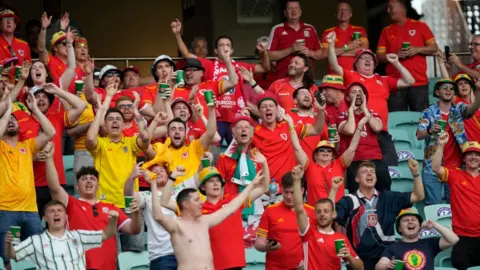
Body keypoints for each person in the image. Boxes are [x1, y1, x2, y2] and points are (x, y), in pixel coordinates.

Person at [149, 161, 265, 270]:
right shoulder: (178, 224)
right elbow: (162, 206)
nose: (201, 202)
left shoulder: (205, 220)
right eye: (197, 200)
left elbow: (232, 207)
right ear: (186, 205)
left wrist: (252, 184)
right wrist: (168, 179)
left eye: (217, 180)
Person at [326, 31, 415, 167]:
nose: (368, 60)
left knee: (389, 167)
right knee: (359, 168)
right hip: (359, 130)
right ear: (356, 64)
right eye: (363, 58)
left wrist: (396, 63)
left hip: (380, 129)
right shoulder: (352, 76)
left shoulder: (382, 79)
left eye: (371, 59)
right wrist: (331, 45)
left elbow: (409, 81)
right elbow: (334, 65)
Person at [45, 146, 142, 270]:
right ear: (77, 186)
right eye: (83, 179)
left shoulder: (111, 207)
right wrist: (49, 159)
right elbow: (54, 187)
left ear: (98, 185)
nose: (88, 181)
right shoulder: (71, 204)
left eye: (92, 179)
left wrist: (136, 212)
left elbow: (134, 229)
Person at [172, 20, 266, 145]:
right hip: (217, 117)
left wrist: (264, 51)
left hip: (236, 115)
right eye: (221, 45)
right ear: (216, 50)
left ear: (232, 50)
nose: (224, 48)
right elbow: (187, 55)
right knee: (216, 152)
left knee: (238, 151)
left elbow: (264, 68)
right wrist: (178, 35)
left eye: (227, 45)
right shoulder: (209, 65)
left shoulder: (238, 66)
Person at [329, 159, 425, 270]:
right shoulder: (349, 200)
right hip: (359, 262)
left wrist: (416, 173)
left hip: (386, 260)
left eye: (372, 171)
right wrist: (334, 189)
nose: (369, 173)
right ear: (357, 179)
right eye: (364, 171)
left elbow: (419, 196)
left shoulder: (388, 198)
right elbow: (331, 215)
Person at [0, 91, 55, 268]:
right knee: (8, 260)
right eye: (7, 120)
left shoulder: (27, 145)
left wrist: (35, 110)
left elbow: (50, 132)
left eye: (14, 120)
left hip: (31, 211)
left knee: (38, 257)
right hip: (5, 211)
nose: (10, 121)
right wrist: (8, 109)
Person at [86, 81, 152, 208]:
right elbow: (89, 139)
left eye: (118, 119)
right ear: (105, 124)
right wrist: (100, 112)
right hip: (106, 202)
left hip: (129, 201)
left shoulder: (131, 142)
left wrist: (136, 113)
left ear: (123, 125)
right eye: (110, 119)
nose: (114, 122)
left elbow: (145, 139)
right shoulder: (100, 143)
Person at [142, 92, 218, 198]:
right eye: (173, 129)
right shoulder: (161, 148)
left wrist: (211, 109)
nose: (177, 132)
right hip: (172, 198)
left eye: (181, 129)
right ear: (167, 134)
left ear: (185, 133)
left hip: (196, 195)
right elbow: (144, 144)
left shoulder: (194, 148)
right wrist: (155, 121)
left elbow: (211, 133)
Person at [416, 78, 480, 205]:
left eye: (451, 88)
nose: (448, 90)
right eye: (445, 88)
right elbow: (419, 135)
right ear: (437, 92)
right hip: (432, 168)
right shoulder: (428, 112)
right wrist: (430, 131)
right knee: (434, 207)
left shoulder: (459, 109)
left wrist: (478, 89)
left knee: (457, 206)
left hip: (455, 169)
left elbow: (473, 108)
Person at [5, 200, 117, 270]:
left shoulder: (78, 236)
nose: (56, 213)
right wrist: (8, 243)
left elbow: (107, 234)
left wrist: (113, 221)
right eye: (51, 211)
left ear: (66, 217)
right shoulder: (35, 241)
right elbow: (12, 254)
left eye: (59, 210)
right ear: (45, 218)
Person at [288, 109, 369, 204]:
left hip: (338, 213)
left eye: (329, 150)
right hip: (316, 214)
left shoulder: (339, 164)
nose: (325, 152)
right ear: (316, 155)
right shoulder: (310, 166)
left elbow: (352, 148)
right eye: (321, 150)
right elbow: (297, 148)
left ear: (333, 156)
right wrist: (290, 126)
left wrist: (359, 127)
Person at [199, 160, 269, 270]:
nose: (216, 183)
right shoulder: (198, 209)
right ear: (203, 187)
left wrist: (264, 163)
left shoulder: (233, 201)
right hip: (211, 266)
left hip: (235, 263)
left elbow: (263, 188)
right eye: (211, 181)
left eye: (218, 180)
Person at [291, 165, 364, 270]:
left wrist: (348, 256)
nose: (322, 214)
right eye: (318, 211)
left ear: (332, 214)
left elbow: (360, 267)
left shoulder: (341, 238)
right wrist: (296, 181)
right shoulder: (309, 233)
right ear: (315, 214)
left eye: (326, 211)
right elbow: (299, 209)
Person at [376, 0, 438, 112]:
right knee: (397, 120)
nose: (387, 11)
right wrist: (396, 55)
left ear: (402, 9)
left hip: (418, 82)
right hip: (396, 83)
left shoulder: (420, 26)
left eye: (391, 7)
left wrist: (417, 49)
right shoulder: (386, 31)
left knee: (422, 120)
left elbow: (434, 48)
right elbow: (379, 57)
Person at [432, 133, 480, 270]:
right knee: (460, 265)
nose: (473, 157)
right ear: (464, 158)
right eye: (469, 154)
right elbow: (435, 168)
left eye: (477, 154)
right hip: (462, 236)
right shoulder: (455, 175)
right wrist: (441, 145)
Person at [253, 93, 325, 183]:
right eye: (264, 106)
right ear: (259, 111)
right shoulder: (254, 132)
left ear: (277, 109)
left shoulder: (288, 126)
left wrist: (321, 111)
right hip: (265, 188)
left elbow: (316, 130)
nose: (268, 108)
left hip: (289, 187)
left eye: (271, 106)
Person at [255, 171, 315, 270]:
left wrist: (309, 262)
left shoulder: (312, 212)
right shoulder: (270, 211)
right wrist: (266, 247)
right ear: (281, 190)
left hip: (303, 267)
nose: (288, 197)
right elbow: (258, 243)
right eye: (286, 192)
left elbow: (319, 243)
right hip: (274, 267)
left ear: (302, 190)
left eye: (292, 192)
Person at [337, 82, 391, 192]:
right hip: (354, 160)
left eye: (360, 92)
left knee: (382, 175)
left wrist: (365, 109)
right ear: (347, 97)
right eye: (354, 92)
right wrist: (351, 110)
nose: (358, 94)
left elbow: (377, 128)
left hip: (374, 159)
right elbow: (350, 130)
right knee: (354, 180)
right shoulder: (342, 117)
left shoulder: (373, 115)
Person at [124, 164, 180, 270]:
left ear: (169, 174)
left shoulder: (180, 192)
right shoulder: (146, 196)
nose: (158, 172)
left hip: (184, 253)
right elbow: (129, 196)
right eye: (154, 171)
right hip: (161, 256)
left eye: (161, 170)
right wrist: (132, 177)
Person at [376, 208, 459, 270]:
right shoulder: (392, 248)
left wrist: (434, 225)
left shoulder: (429, 243)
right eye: (405, 220)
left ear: (419, 226)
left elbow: (454, 239)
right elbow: (378, 267)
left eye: (413, 220)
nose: (410, 222)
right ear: (400, 229)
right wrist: (387, 265)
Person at [267, 0, 323, 79]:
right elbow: (268, 56)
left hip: (307, 79)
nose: (293, 10)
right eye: (290, 8)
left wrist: (310, 53)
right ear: (285, 13)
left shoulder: (310, 28)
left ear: (300, 12)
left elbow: (321, 54)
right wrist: (290, 50)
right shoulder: (277, 29)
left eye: (296, 8)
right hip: (283, 78)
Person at [436, 50, 480, 143]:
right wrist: (441, 63)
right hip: (468, 149)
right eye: (460, 84)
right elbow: (447, 82)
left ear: (471, 86)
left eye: (466, 83)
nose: (463, 85)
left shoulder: (477, 101)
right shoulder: (457, 103)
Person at [321, 2, 368, 72]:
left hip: (355, 73)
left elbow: (364, 50)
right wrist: (348, 47)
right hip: (334, 75)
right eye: (340, 10)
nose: (343, 12)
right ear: (335, 14)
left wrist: (334, 53)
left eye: (346, 10)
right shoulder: (328, 32)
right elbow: (325, 53)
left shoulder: (359, 30)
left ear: (350, 14)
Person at [289, 86, 329, 158]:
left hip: (313, 165)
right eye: (302, 93)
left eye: (309, 94)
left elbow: (328, 144)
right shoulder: (289, 119)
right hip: (293, 166)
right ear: (295, 100)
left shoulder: (319, 121)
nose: (307, 95)